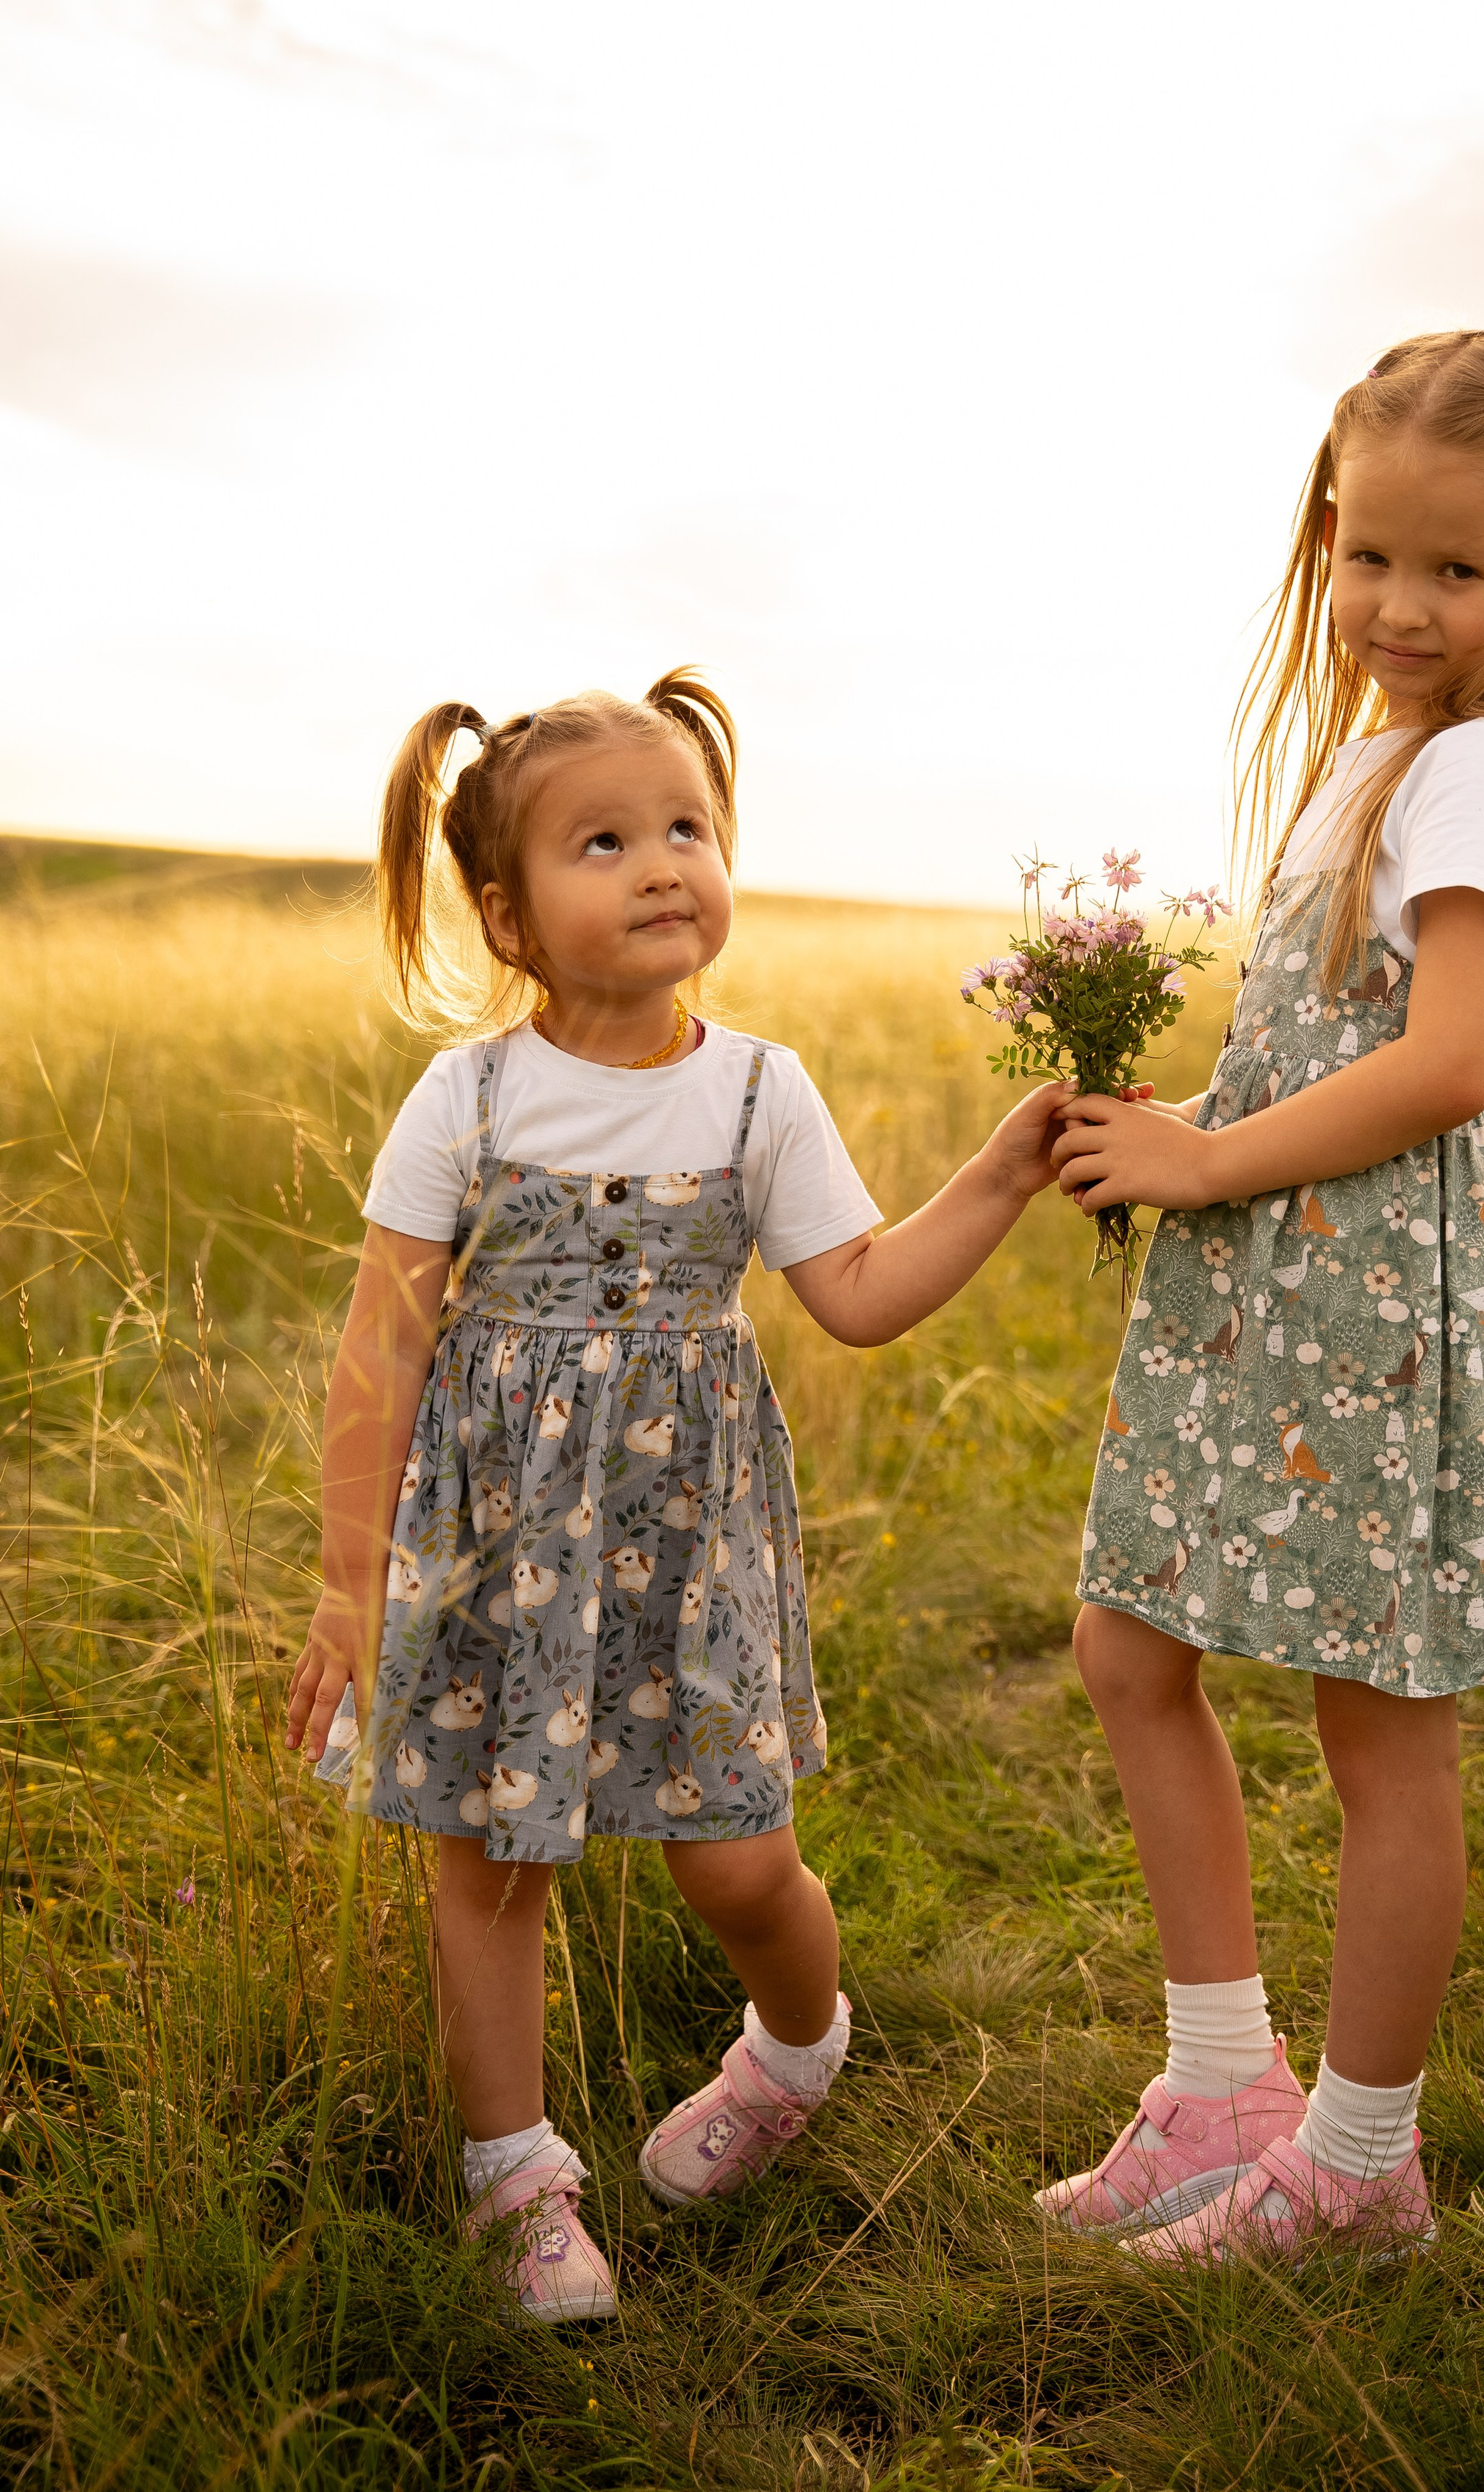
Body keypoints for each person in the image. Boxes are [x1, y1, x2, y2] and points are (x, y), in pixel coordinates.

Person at [285, 673, 1065, 2321]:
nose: (661, 865)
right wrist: (349, 1588)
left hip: (684, 1546)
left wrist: (995, 1175)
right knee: (492, 1861)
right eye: (604, 841)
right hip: (496, 1552)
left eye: (687, 828)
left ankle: (795, 2046)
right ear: (507, 915)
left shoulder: (759, 1092)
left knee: (736, 1863)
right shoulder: (472, 1099)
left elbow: (851, 1290)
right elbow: (379, 1353)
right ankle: (517, 2176)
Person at [1040, 328, 1484, 2264]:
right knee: (1129, 1650)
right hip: (1275, 1273)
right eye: (1369, 556)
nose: (1400, 604)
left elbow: (1446, 1064)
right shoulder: (1377, 755)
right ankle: (1218, 2088)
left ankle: (1358, 2172)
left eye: (1459, 569)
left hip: (1379, 1309)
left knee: (1381, 1737)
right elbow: (1322, 1055)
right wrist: (1160, 1121)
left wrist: (1203, 1161)